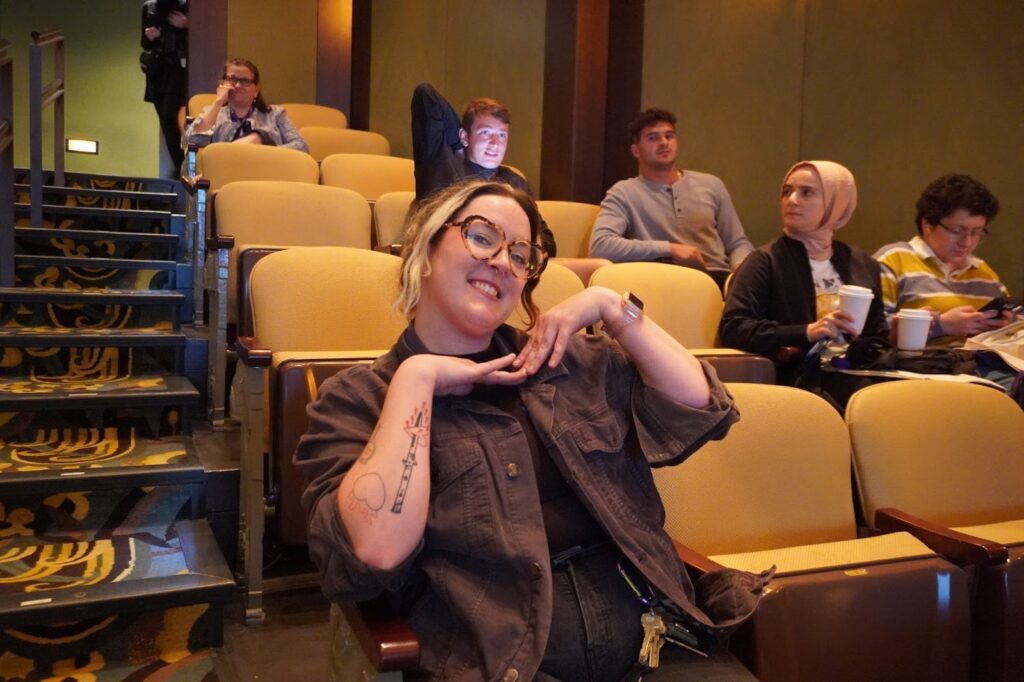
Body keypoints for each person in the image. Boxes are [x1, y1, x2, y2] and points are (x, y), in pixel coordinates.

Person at [296, 179, 766, 681]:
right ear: (423, 249)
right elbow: (375, 552)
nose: (503, 261)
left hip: (654, 642)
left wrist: (610, 306)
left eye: (521, 254)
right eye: (481, 237)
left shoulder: (570, 361)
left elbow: (704, 406)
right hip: (501, 663)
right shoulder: (360, 398)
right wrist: (418, 379)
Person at [720, 161, 888, 387]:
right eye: (787, 191)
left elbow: (875, 337)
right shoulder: (765, 260)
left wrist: (893, 335)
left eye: (806, 192)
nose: (792, 200)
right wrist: (807, 332)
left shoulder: (861, 262)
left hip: (854, 374)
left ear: (836, 203)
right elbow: (735, 328)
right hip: (798, 379)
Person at [589, 108, 753, 289]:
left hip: (718, 279)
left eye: (669, 136)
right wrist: (670, 249)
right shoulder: (624, 192)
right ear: (636, 151)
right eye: (653, 138)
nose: (664, 142)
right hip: (662, 281)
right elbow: (601, 245)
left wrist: (741, 272)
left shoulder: (712, 185)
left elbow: (737, 243)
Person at [410, 83, 555, 256]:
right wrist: (458, 146)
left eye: (502, 135)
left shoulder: (515, 182)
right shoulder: (441, 165)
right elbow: (426, 95)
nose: (495, 143)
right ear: (464, 136)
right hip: (442, 259)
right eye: (485, 133)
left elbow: (547, 243)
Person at [873, 174, 1013, 345]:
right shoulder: (894, 260)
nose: (967, 242)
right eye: (956, 231)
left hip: (978, 367)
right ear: (928, 225)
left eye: (976, 232)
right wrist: (942, 326)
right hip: (918, 367)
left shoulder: (985, 273)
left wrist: (1005, 326)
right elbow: (868, 331)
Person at [184, 58, 308, 153]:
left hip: (268, 171)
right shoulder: (213, 113)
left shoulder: (275, 114)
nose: (237, 85)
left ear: (256, 90)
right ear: (222, 83)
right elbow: (192, 141)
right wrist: (218, 101)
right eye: (232, 79)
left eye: (244, 81)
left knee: (259, 136)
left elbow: (301, 146)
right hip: (227, 175)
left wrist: (267, 153)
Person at [141, 0, 188, 173]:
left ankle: (184, 167)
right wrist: (150, 36)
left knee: (172, 117)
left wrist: (187, 25)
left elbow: (205, 37)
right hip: (158, 70)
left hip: (181, 70)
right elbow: (145, 44)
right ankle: (180, 168)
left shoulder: (191, 6)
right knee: (165, 120)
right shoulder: (150, 6)